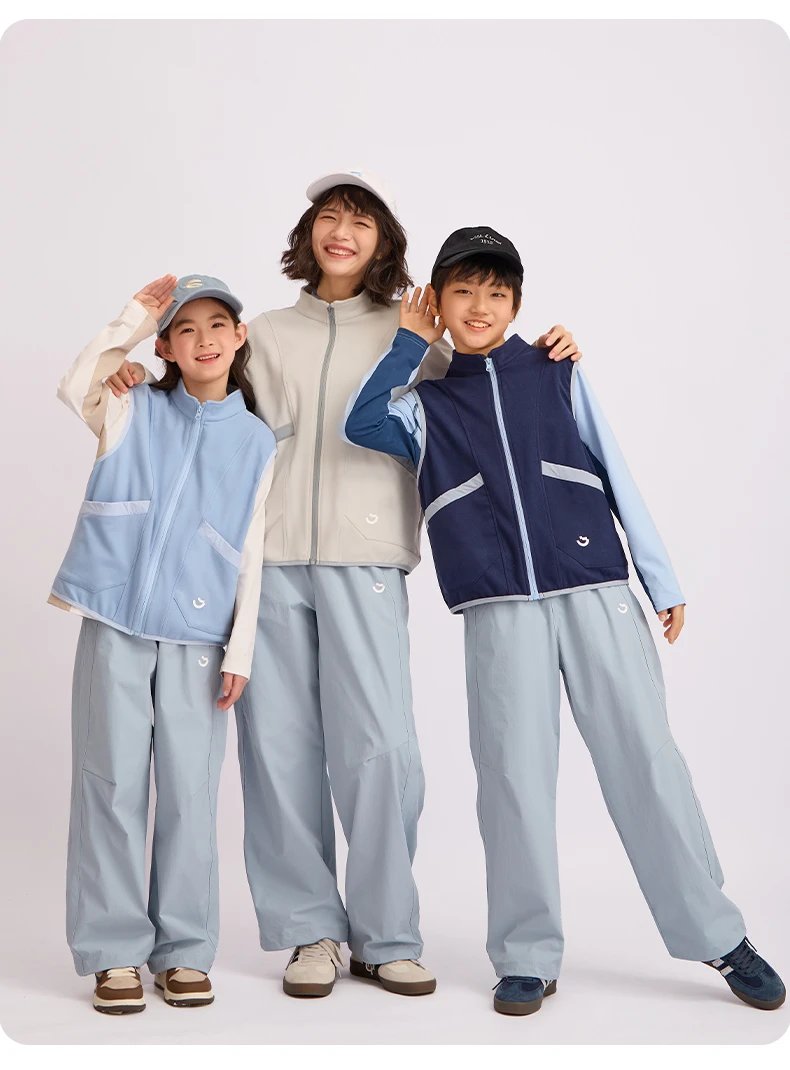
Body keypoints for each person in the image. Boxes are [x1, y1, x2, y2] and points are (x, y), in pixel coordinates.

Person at [105, 173, 580, 999]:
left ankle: (385, 934)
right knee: (279, 751)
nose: (342, 231)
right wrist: (132, 381)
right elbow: (206, 403)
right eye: (330, 216)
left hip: (369, 557)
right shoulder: (264, 334)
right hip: (270, 559)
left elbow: (485, 380)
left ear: (382, 241)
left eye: (360, 221)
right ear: (310, 233)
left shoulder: (417, 330)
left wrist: (553, 351)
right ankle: (309, 933)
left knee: (383, 752)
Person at [344, 227, 785, 1016]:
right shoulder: (427, 402)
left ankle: (719, 936)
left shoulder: (555, 369)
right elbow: (362, 423)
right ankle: (526, 956)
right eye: (463, 292)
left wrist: (659, 576)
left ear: (516, 303)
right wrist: (411, 343)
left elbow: (615, 466)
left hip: (596, 591)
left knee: (646, 760)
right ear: (437, 301)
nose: (480, 307)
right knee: (512, 778)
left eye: (496, 293)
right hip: (497, 606)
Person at [50, 275, 277, 1014]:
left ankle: (183, 950)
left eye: (217, 325)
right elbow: (73, 385)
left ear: (239, 337)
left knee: (189, 794)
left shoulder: (257, 440)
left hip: (201, 637)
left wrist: (241, 649)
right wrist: (131, 322)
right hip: (114, 619)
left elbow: (253, 550)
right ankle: (113, 951)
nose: (203, 339)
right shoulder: (133, 405)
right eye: (185, 329)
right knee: (110, 783)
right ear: (167, 347)